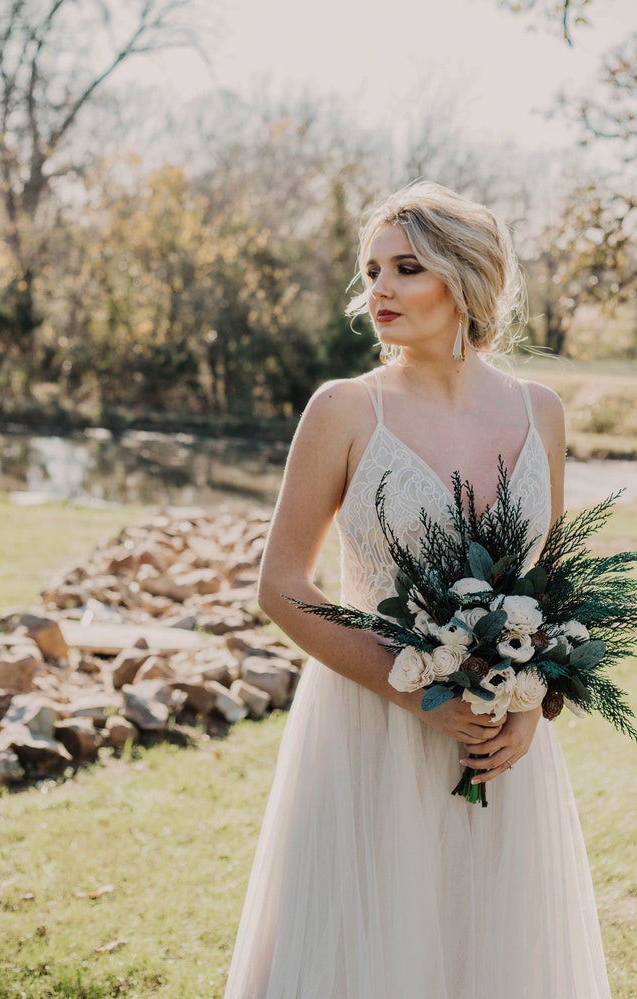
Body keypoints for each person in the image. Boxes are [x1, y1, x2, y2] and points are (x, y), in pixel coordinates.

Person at [223, 182, 611, 999]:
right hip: (370, 727)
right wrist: (419, 698)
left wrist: (535, 710)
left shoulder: (541, 410)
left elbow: (546, 584)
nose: (380, 290)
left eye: (406, 267)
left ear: (465, 277)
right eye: (372, 270)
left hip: (498, 743)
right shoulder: (345, 409)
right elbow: (283, 587)